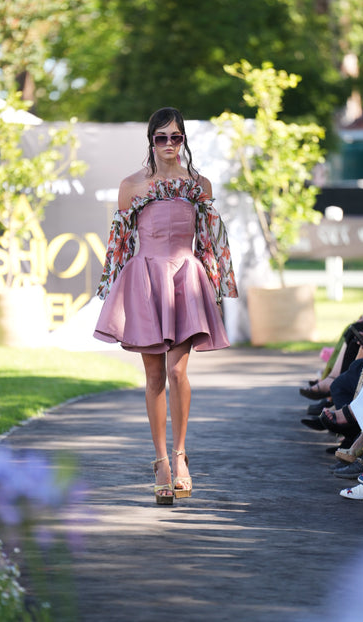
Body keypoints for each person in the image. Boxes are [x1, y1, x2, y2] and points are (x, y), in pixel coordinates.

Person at [93, 107, 238, 505]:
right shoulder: (132, 186)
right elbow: (119, 244)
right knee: (154, 374)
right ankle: (160, 463)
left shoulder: (199, 185)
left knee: (178, 371)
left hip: (185, 281)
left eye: (176, 137)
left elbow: (210, 240)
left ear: (184, 140)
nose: (170, 144)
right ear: (151, 141)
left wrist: (217, 285)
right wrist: (112, 290)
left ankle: (181, 456)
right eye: (162, 137)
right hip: (146, 281)